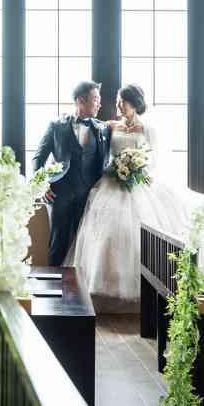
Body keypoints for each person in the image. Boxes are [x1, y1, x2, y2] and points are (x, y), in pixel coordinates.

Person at [68, 84, 191, 312]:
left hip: (137, 184)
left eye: (121, 102)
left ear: (133, 103)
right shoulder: (111, 126)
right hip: (111, 183)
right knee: (106, 235)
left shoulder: (148, 129)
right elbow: (94, 145)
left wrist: (136, 167)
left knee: (136, 235)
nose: (117, 106)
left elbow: (155, 161)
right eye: (117, 101)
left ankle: (146, 292)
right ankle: (102, 292)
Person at [32, 81, 111, 266]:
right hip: (59, 195)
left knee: (88, 248)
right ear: (81, 100)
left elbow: (107, 162)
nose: (100, 104)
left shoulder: (102, 128)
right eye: (96, 99)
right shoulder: (56, 126)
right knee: (57, 245)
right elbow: (38, 158)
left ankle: (82, 292)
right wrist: (41, 186)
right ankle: (53, 292)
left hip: (90, 196)